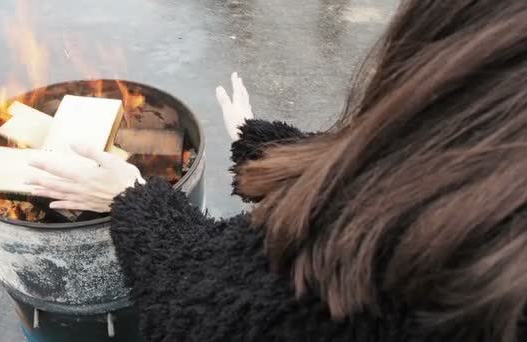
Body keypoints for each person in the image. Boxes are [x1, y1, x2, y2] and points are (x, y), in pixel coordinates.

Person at [26, 1, 527, 341]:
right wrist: (263, 143)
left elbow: (201, 310)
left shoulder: (371, 280)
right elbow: (397, 166)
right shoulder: (491, 191)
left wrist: (133, 197)